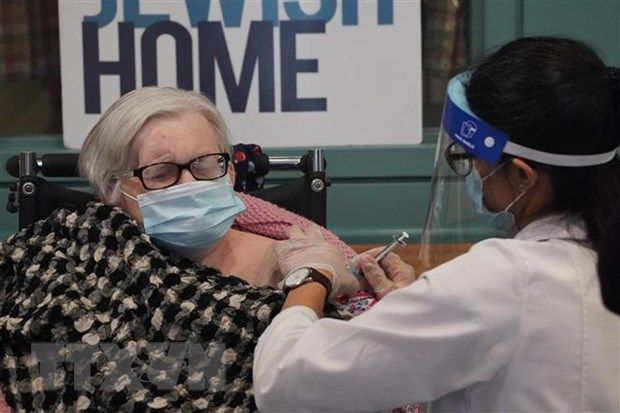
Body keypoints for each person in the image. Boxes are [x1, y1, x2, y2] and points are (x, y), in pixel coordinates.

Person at [253, 36, 620, 412]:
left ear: (523, 177)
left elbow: (284, 383)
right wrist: (420, 310)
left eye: (471, 157)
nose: (474, 173)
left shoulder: (505, 279)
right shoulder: (597, 259)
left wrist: (311, 275)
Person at [0, 87, 359, 411]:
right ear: (111, 190)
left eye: (205, 165)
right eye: (161, 173)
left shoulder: (305, 258)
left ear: (230, 173)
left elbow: (348, 375)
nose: (190, 184)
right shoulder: (73, 261)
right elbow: (55, 371)